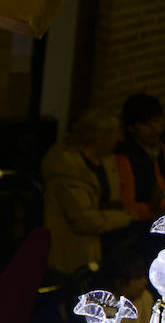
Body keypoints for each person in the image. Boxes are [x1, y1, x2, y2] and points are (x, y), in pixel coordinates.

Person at [42, 109, 134, 276]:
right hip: (75, 255)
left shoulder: (106, 160)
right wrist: (127, 217)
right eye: (114, 134)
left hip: (105, 245)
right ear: (98, 137)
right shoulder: (67, 168)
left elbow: (113, 202)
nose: (119, 139)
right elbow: (85, 220)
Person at [115, 92, 165, 221]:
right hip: (142, 225)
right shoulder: (125, 157)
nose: (154, 129)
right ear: (131, 127)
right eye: (146, 124)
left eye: (156, 121)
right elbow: (127, 206)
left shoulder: (162, 149)